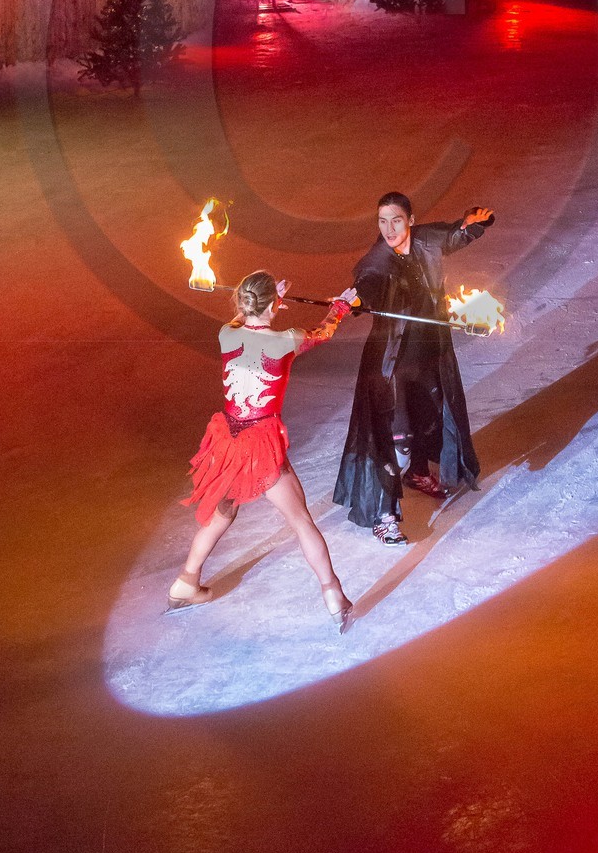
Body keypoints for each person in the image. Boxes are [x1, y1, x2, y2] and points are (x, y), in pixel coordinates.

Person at [168, 270, 357, 630]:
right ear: (274, 303)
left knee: (223, 512)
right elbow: (323, 332)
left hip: (227, 441)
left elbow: (241, 319)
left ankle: (186, 582)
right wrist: (341, 307)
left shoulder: (226, 333)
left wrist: (264, 302)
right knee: (300, 520)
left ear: (243, 302)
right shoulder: (287, 339)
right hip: (260, 444)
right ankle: (332, 592)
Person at [334, 192, 494, 545]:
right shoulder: (379, 257)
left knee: (428, 420)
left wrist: (472, 224)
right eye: (382, 221)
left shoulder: (424, 239)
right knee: (396, 439)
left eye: (395, 220)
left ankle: (417, 474)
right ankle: (384, 512)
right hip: (392, 364)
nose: (389, 228)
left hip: (429, 355)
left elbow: (452, 235)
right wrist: (357, 299)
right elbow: (369, 282)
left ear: (410, 219)